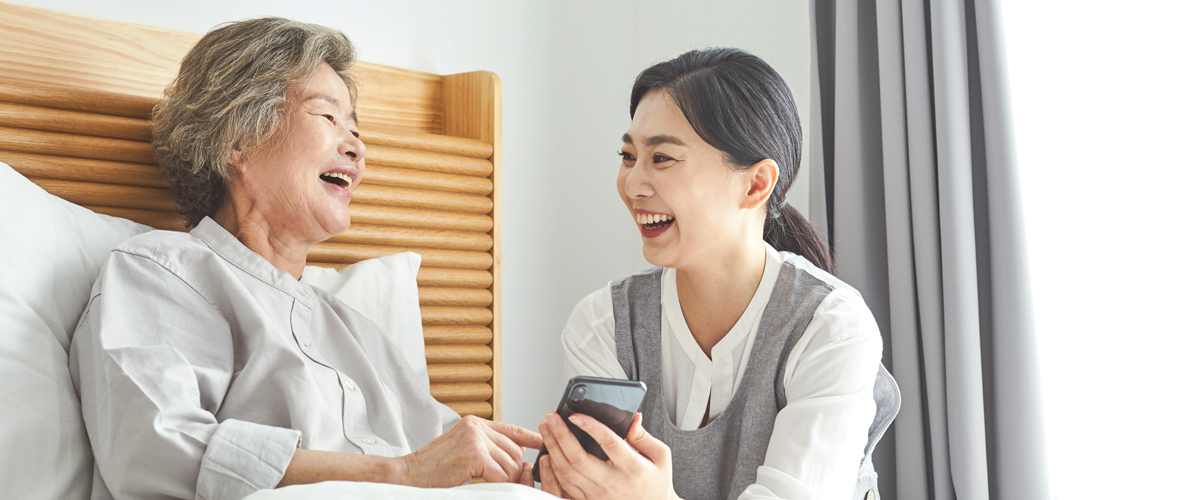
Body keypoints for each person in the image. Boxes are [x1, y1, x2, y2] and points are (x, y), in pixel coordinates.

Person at [68, 18, 541, 500]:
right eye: (329, 118)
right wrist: (399, 474)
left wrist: (524, 476)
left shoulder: (357, 331)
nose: (357, 147)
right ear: (239, 142)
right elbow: (157, 450)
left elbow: (445, 458)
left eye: (355, 128)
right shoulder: (158, 273)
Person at [535, 48, 899, 500]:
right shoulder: (602, 325)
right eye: (628, 156)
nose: (631, 185)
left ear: (755, 184)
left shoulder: (831, 328)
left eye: (661, 158)